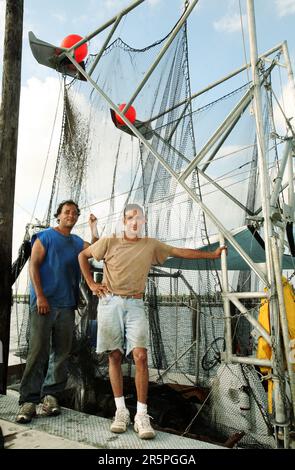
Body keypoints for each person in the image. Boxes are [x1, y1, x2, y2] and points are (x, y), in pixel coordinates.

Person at [78, 203, 227, 439]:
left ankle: (141, 415)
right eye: (129, 218)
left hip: (136, 303)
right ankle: (120, 412)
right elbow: (82, 256)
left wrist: (212, 255)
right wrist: (92, 284)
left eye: (138, 218)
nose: (134, 222)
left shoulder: (151, 245)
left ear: (144, 221)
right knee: (114, 355)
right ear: (124, 221)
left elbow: (180, 252)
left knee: (141, 356)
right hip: (110, 302)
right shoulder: (109, 241)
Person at [16, 200, 99, 424]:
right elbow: (34, 265)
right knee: (38, 351)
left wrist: (93, 228)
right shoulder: (45, 237)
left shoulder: (76, 242)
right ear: (59, 216)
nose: (71, 215)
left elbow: (96, 251)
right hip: (44, 303)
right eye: (67, 212)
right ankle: (28, 400)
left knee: (61, 352)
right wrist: (40, 296)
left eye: (74, 213)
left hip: (67, 305)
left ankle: (50, 396)